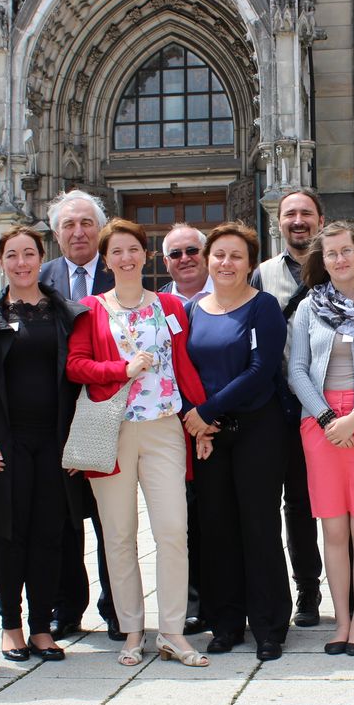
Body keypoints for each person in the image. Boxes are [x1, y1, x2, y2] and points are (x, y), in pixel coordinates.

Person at [66, 219, 210, 668]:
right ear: (105, 260)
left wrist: (201, 420)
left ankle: (172, 631)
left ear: (145, 256)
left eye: (133, 249)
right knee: (119, 534)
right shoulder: (89, 308)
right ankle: (131, 630)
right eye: (117, 252)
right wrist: (120, 370)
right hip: (113, 431)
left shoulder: (169, 305)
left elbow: (183, 366)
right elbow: (75, 366)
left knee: (172, 530)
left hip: (164, 428)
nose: (126, 258)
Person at [0, 226, 88, 663]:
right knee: (11, 534)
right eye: (12, 255)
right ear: (0, 261)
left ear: (41, 258)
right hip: (8, 439)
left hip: (56, 439)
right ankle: (11, 625)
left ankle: (42, 626)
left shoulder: (66, 312)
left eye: (29, 254)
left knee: (49, 534)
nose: (21, 263)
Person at [185, 221, 292, 661]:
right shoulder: (192, 309)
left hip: (257, 430)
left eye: (236, 256)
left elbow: (260, 369)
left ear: (250, 264)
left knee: (259, 526)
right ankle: (225, 622)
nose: (226, 263)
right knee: (216, 529)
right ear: (208, 260)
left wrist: (206, 412)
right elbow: (184, 370)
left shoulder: (262, 306)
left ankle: (269, 625)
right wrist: (198, 422)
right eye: (219, 255)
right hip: (209, 437)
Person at [288, 222, 354, 656]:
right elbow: (295, 369)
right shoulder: (308, 308)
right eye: (330, 253)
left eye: (345, 250)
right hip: (320, 422)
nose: (339, 259)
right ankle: (341, 621)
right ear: (322, 260)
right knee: (333, 528)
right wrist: (329, 416)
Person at [38, 189, 120, 642]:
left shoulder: (120, 268)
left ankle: (117, 608)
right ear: (55, 234)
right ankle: (66, 608)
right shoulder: (39, 277)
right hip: (56, 418)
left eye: (87, 223)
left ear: (101, 228)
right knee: (64, 519)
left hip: (112, 410)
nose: (78, 232)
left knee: (113, 516)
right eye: (68, 225)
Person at [251, 187, 325, 627]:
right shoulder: (262, 274)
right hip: (282, 407)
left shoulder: (340, 263)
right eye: (289, 214)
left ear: (319, 219)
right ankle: (308, 593)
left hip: (335, 407)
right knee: (293, 504)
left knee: (335, 505)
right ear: (278, 222)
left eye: (306, 214)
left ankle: (349, 589)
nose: (298, 221)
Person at [159, 222, 212, 635]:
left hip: (226, 420)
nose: (185, 259)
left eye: (192, 250)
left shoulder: (229, 294)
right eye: (175, 254)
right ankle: (193, 602)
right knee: (185, 517)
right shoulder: (156, 306)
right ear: (165, 263)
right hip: (175, 427)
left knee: (227, 514)